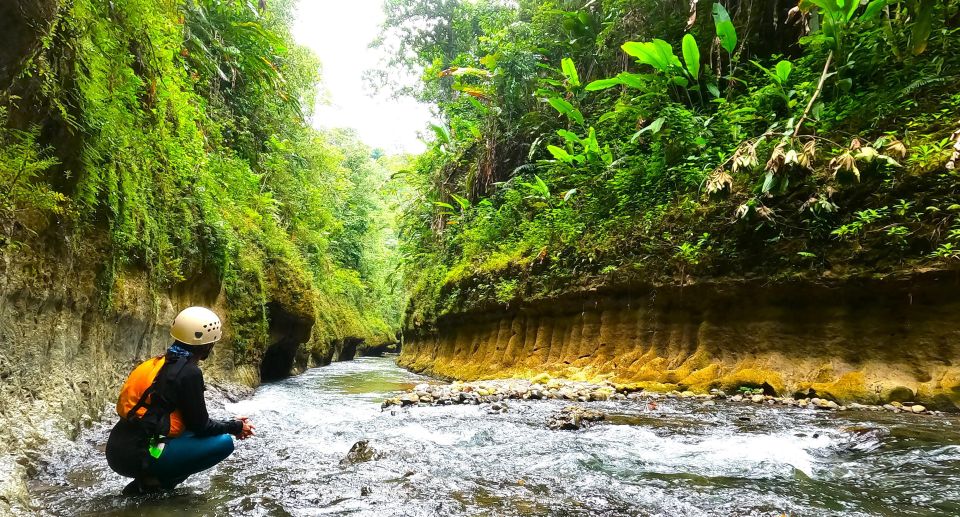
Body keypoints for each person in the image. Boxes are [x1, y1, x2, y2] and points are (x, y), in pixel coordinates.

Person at [105, 306, 255, 495]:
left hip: (117, 447)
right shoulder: (189, 373)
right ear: (208, 345)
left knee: (192, 435)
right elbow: (201, 427)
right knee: (223, 442)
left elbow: (185, 420)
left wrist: (230, 424)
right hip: (139, 454)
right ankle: (154, 485)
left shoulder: (157, 363)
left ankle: (148, 482)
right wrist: (236, 427)